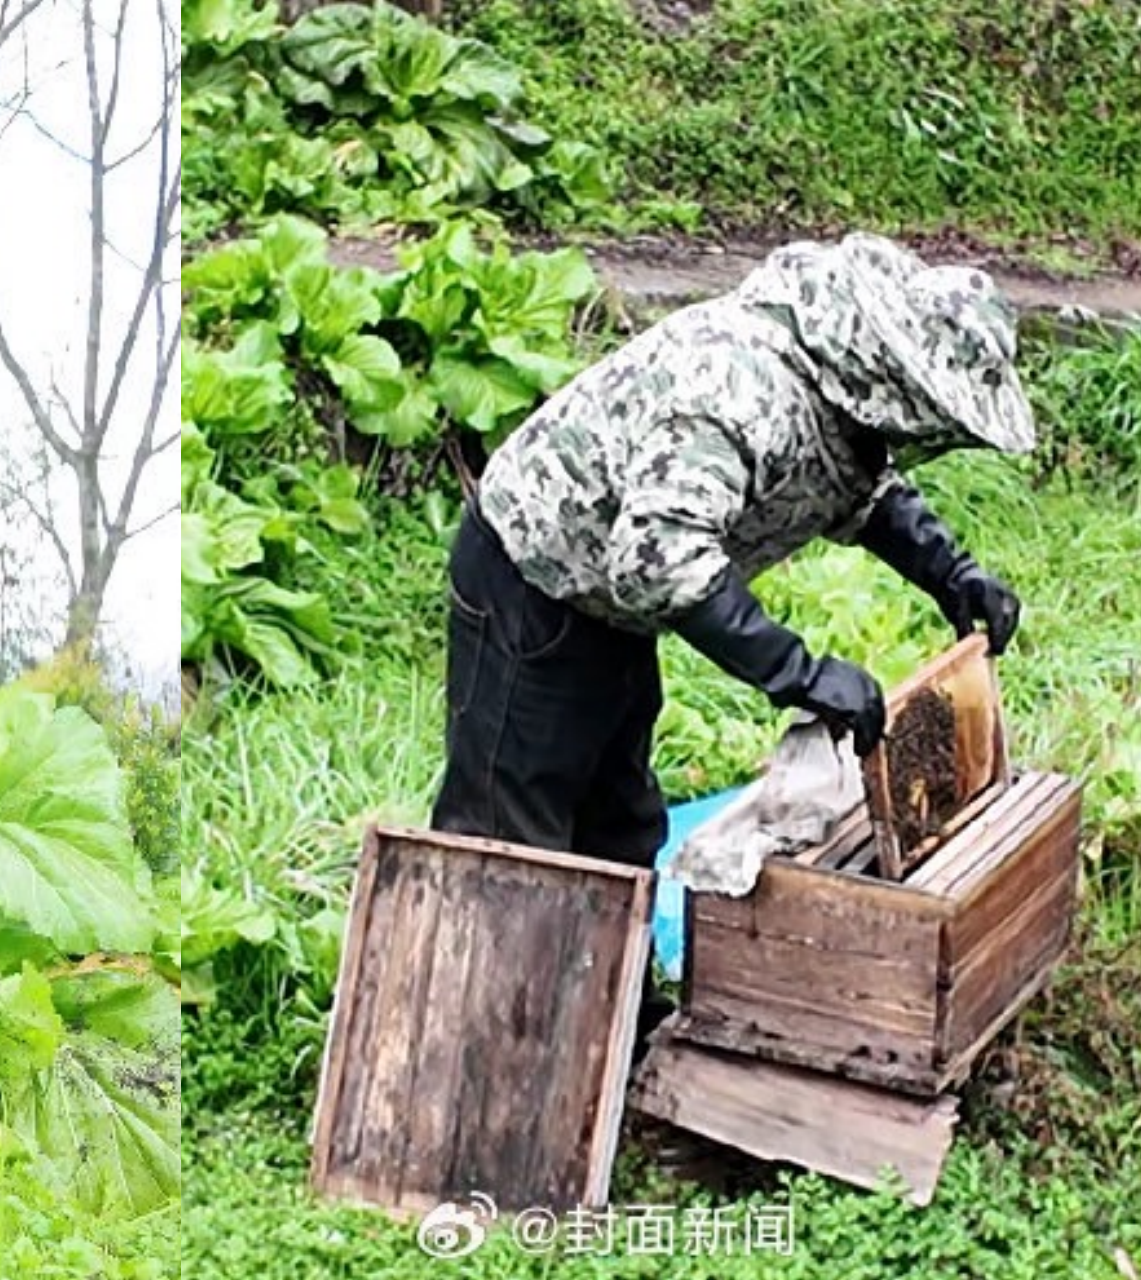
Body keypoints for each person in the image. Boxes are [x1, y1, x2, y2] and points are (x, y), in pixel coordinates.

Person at [431, 232, 1032, 875]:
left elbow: (857, 482)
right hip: (534, 576)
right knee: (507, 844)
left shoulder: (833, 383)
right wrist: (800, 674)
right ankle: (479, 978)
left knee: (620, 828)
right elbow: (661, 561)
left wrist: (950, 572)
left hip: (612, 604)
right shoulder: (737, 391)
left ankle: (609, 975)